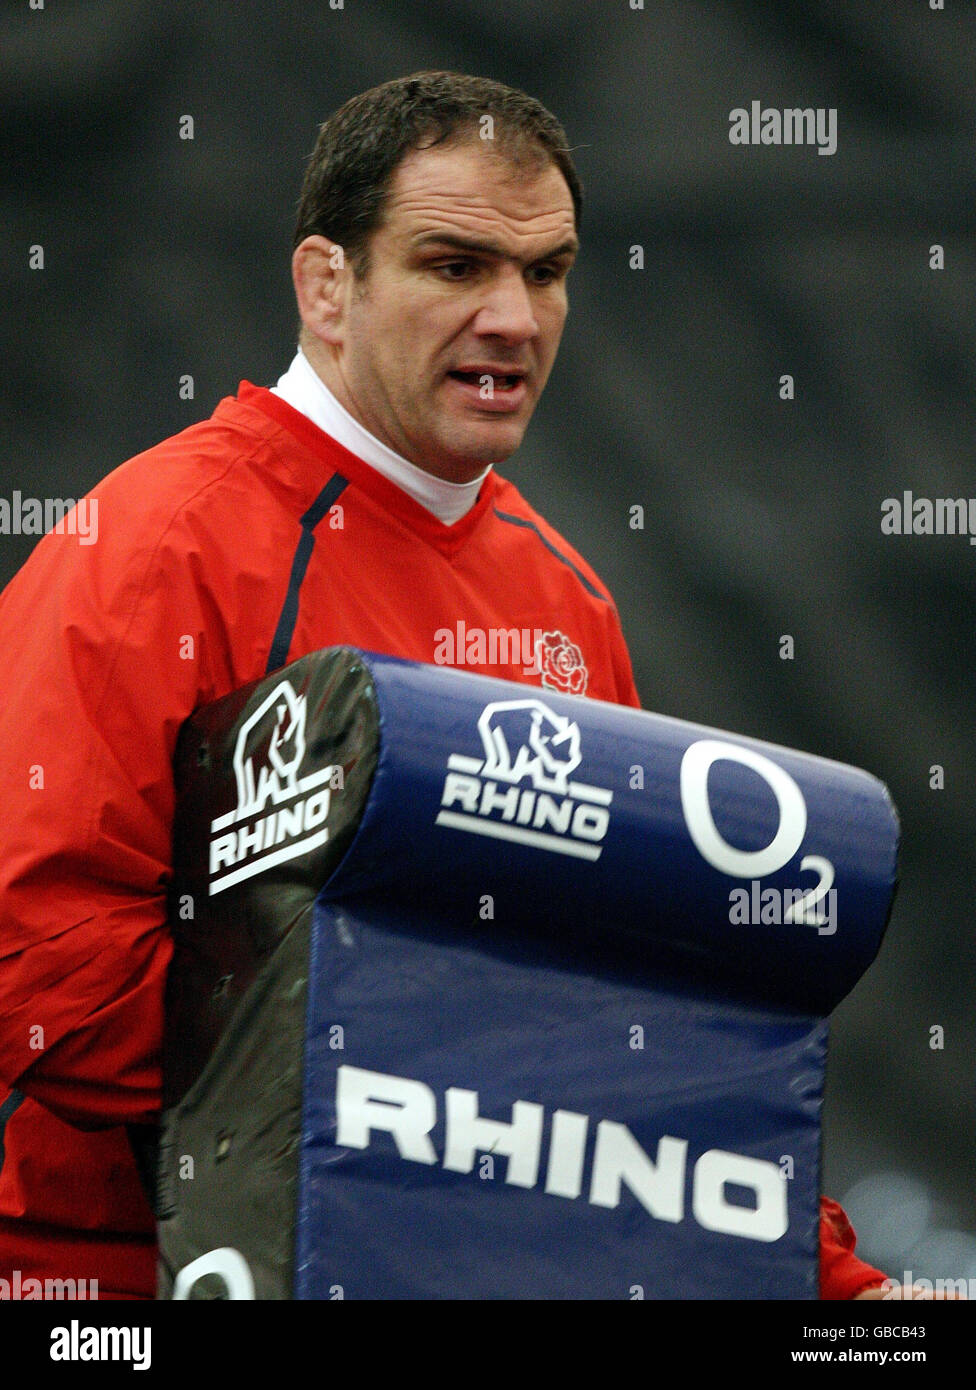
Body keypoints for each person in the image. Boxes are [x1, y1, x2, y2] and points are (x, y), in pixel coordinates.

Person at [0, 70, 887, 1300]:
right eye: (456, 264)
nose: (515, 319)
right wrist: (417, 1084)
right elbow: (37, 970)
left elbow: (638, 1021)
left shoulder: (563, 597)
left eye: (547, 270)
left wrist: (845, 1291)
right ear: (327, 286)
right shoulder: (155, 546)